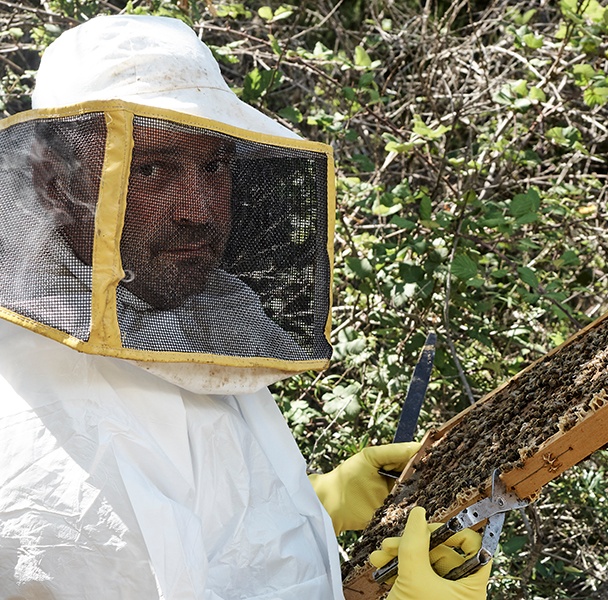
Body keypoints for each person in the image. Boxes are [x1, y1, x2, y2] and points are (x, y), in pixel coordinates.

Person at [0, 13, 491, 600]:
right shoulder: (50, 425)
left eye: (214, 166)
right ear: (56, 183)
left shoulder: (185, 310)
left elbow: (206, 541)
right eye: (153, 168)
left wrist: (312, 505)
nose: (199, 209)